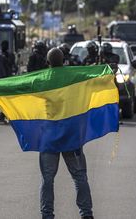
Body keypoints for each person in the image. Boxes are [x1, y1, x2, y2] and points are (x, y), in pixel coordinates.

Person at [39, 48, 94, 219]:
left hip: (49, 138)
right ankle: (86, 214)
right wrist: (109, 70)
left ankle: (47, 215)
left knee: (47, 179)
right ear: (64, 61)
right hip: (71, 136)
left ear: (48, 63)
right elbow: (94, 78)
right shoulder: (73, 76)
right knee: (79, 177)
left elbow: (17, 87)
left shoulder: (41, 80)